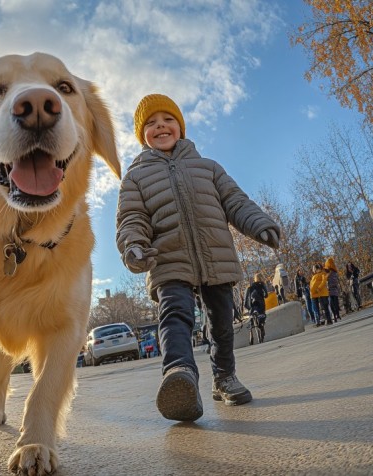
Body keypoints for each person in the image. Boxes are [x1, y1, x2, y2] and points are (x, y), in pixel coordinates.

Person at [116, 94, 281, 421]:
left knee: (221, 321)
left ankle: (224, 377)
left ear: (180, 126)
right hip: (167, 259)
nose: (160, 126)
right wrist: (133, 246)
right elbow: (131, 217)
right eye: (151, 123)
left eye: (167, 119)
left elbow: (236, 202)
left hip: (214, 254)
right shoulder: (135, 177)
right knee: (174, 314)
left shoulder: (208, 167)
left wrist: (260, 224)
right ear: (142, 135)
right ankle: (180, 375)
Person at [244, 274, 268, 342]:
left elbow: (246, 298)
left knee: (251, 317)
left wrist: (247, 306)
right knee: (262, 315)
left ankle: (251, 333)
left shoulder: (249, 287)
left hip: (252, 306)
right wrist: (263, 295)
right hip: (260, 305)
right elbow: (266, 295)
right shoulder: (262, 284)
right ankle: (262, 325)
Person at [324, 258, 341, 322]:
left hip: (331, 289)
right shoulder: (333, 272)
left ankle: (336, 314)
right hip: (332, 290)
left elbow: (334, 281)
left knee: (333, 303)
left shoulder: (332, 273)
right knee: (333, 303)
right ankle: (336, 315)